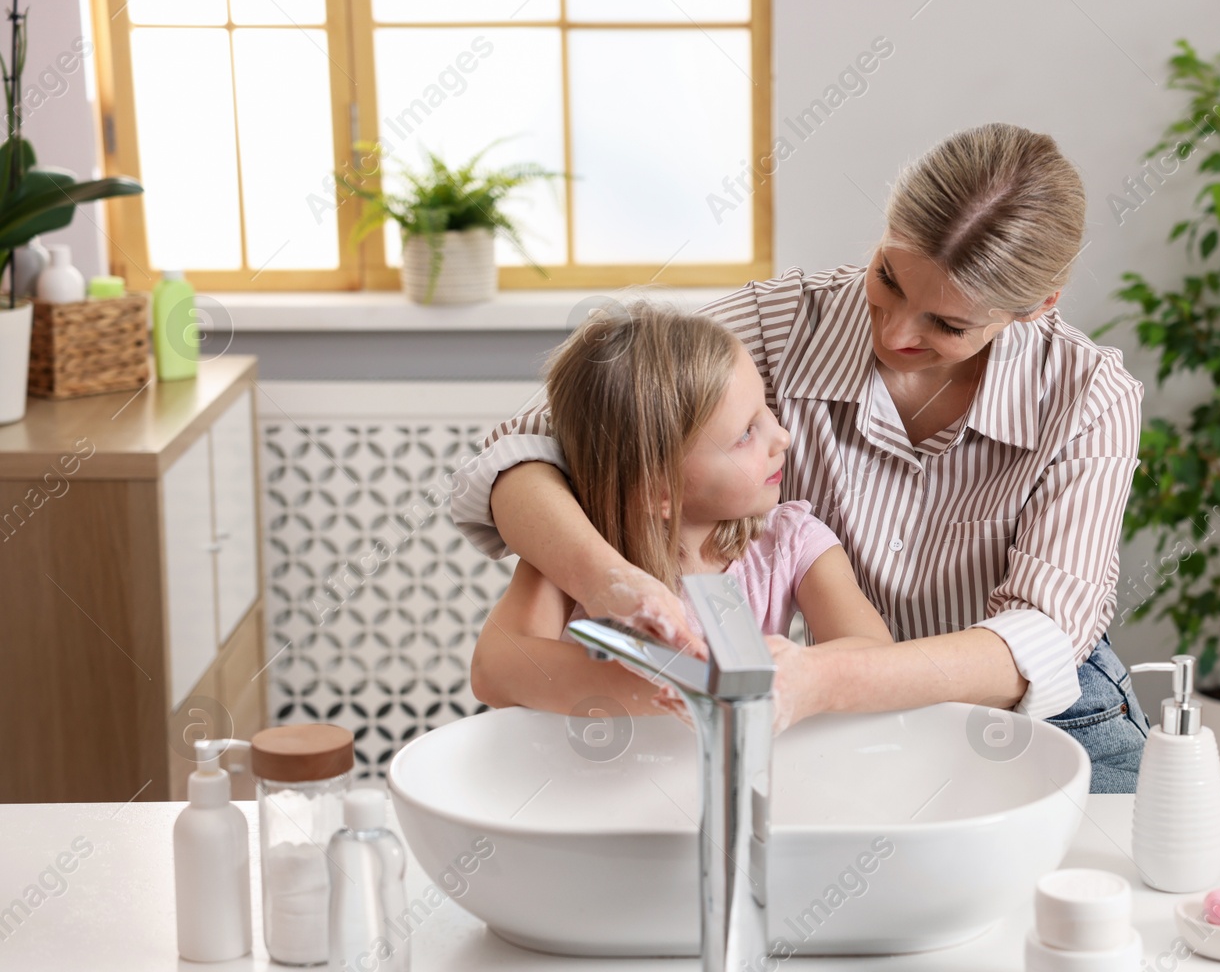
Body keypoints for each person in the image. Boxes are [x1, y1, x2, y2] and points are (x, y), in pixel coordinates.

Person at [454, 123, 1152, 793]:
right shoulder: (782, 321)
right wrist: (610, 582)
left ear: (1036, 306)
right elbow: (537, 445)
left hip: (1046, 723)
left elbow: (1041, 636)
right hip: (840, 722)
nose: (896, 331)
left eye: (947, 323)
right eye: (889, 278)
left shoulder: (1089, 398)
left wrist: (818, 680)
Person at [469, 301, 892, 728]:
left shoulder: (790, 541)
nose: (781, 436)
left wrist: (768, 680)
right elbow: (495, 671)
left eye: (765, 408)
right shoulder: (575, 551)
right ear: (659, 491)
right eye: (746, 432)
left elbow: (875, 655)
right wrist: (692, 687)